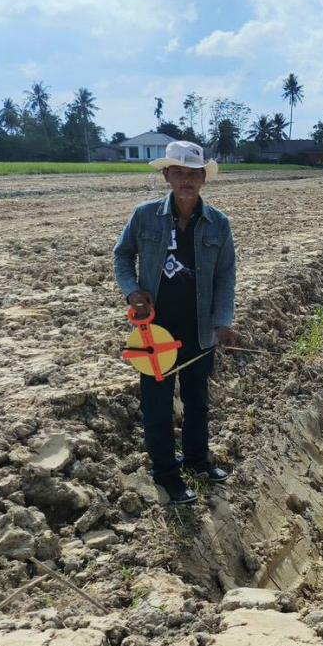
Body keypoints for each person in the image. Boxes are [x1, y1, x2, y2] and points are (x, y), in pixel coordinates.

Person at [113, 140, 238, 504]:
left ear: (203, 178)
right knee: (157, 405)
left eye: (193, 173)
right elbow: (122, 257)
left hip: (199, 329)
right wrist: (132, 291)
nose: (186, 179)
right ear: (167, 175)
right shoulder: (144, 216)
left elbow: (226, 276)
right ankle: (166, 475)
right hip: (156, 332)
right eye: (179, 172)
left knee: (198, 400)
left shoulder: (218, 224)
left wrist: (223, 322)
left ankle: (198, 461)